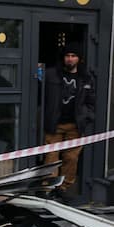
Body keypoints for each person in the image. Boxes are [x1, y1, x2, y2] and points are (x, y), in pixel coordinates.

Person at [43, 42, 95, 200]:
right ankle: (49, 188)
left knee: (71, 158)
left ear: (79, 59)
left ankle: (64, 188)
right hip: (54, 124)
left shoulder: (86, 78)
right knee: (51, 157)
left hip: (75, 125)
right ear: (63, 58)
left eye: (73, 56)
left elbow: (91, 101)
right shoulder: (51, 74)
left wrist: (87, 117)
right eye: (67, 56)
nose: (70, 59)